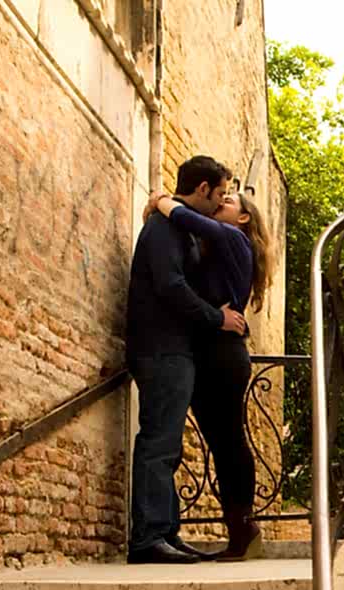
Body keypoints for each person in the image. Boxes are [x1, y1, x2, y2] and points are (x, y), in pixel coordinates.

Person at [124, 155, 246, 564]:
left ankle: (166, 533)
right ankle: (149, 539)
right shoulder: (163, 228)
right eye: (221, 193)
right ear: (203, 189)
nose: (222, 201)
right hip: (161, 348)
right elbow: (170, 285)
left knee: (168, 444)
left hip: (177, 349)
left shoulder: (180, 227)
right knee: (159, 443)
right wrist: (217, 318)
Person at [145, 186, 272, 560]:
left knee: (229, 440)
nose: (220, 204)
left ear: (244, 218)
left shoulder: (233, 236)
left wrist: (162, 202)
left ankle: (243, 530)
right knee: (221, 442)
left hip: (223, 355)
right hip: (208, 352)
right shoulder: (215, 246)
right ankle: (241, 531)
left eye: (228, 202)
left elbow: (188, 218)